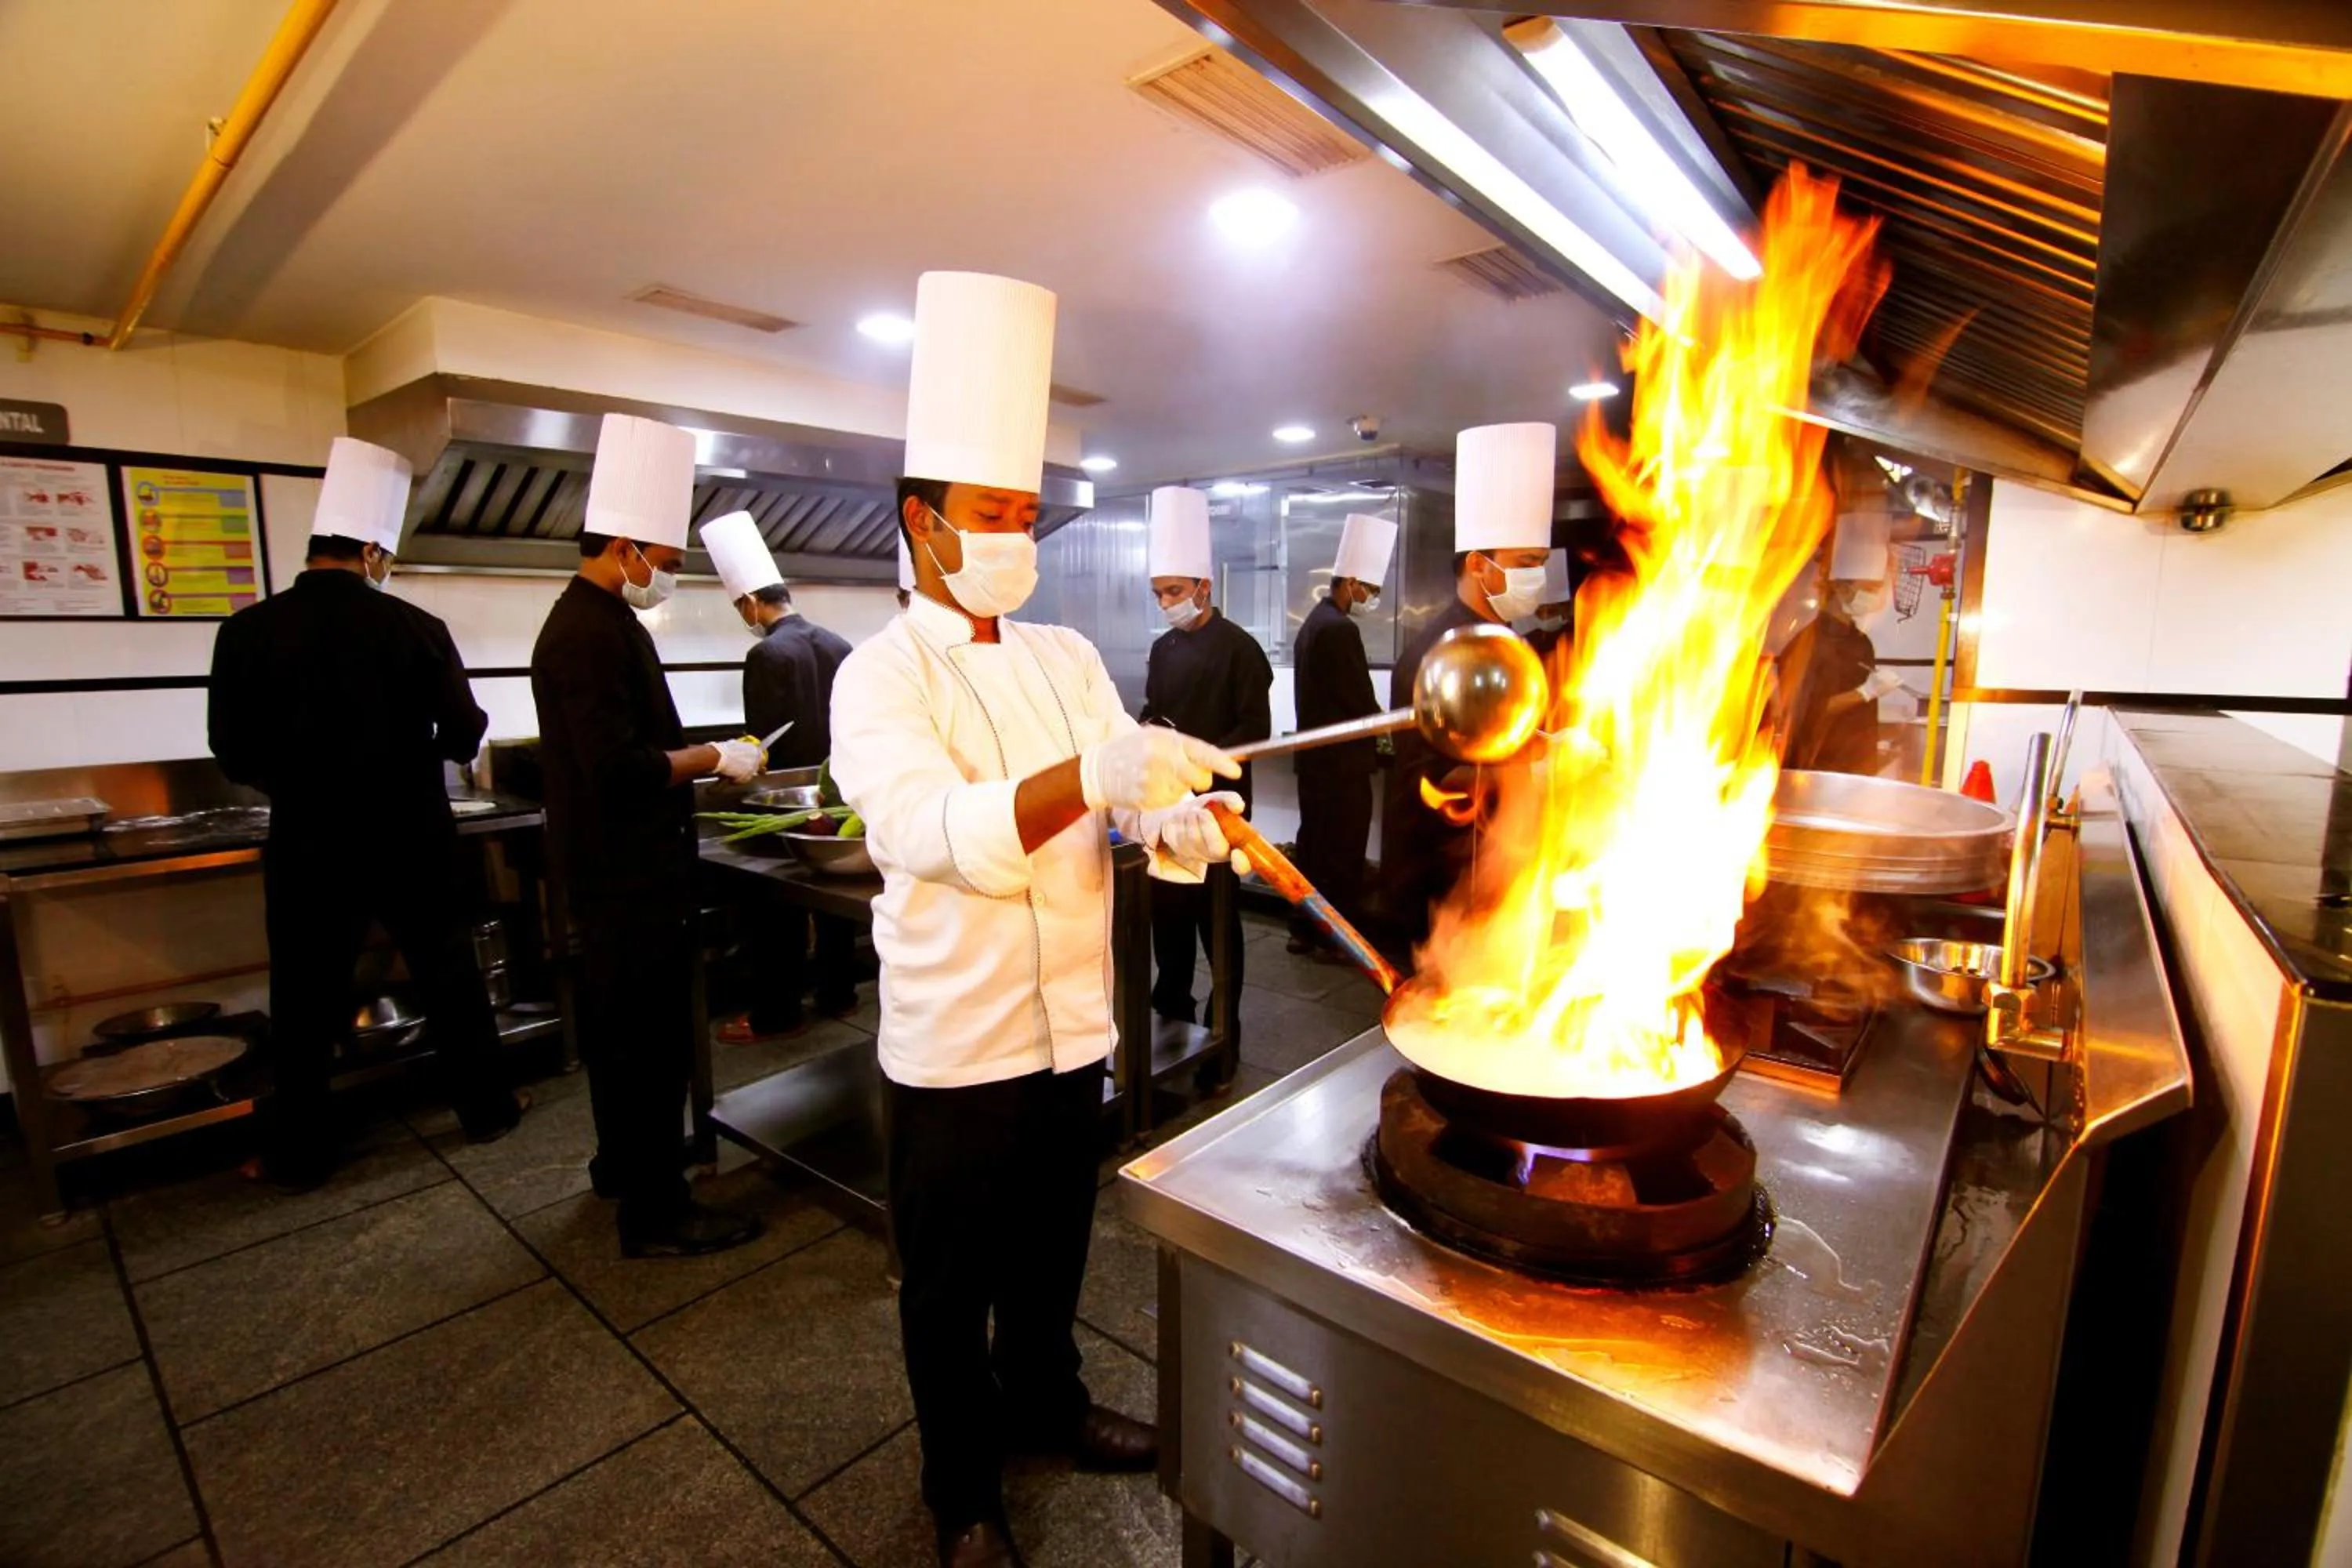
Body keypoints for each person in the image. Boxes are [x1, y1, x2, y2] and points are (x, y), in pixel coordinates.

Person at [828, 271, 1247, 1568]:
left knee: (1056, 1257)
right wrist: (1095, 781)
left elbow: (1124, 782)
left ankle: (1049, 1410)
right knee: (950, 1290)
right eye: (992, 515)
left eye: (1028, 516)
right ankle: (960, 1487)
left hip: (1075, 1030)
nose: (1017, 536)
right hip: (958, 1048)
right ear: (924, 522)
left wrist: (1172, 821)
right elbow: (926, 831)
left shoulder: (1066, 654)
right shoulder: (879, 674)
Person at [209, 437, 526, 1191]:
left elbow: (231, 750)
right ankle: (488, 1111)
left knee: (305, 993)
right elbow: (464, 729)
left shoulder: (247, 630)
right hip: (410, 831)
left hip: (309, 838)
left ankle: (300, 1154)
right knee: (448, 973)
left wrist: (294, 780)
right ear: (374, 551)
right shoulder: (414, 627)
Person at [529, 413, 768, 1258]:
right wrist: (710, 756)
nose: (663, 576)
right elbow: (620, 768)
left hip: (617, 871)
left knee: (622, 1036)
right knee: (647, 1043)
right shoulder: (587, 632)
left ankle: (623, 1169)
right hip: (626, 877)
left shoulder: (596, 620)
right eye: (663, 562)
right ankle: (657, 1213)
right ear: (625, 545)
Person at [1382, 421, 1556, 951]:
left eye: (1541, 564)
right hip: (1443, 879)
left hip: (1503, 866)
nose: (1538, 577)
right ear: (1480, 565)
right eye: (1527, 564)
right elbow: (1428, 779)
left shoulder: (1511, 645)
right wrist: (1533, 763)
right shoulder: (1438, 654)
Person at [702, 510, 859, 1040]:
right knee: (835, 896)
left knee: (777, 907)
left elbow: (759, 744)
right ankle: (840, 992)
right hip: (836, 793)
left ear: (749, 602)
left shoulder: (766, 653)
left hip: (785, 800)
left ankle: (779, 1013)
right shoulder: (839, 645)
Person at [1139, 485, 1272, 1062]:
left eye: (1174, 590)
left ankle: (1225, 1019)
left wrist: (1196, 756)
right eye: (1158, 593)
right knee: (1167, 911)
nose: (1166, 601)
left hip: (1222, 806)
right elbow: (1153, 711)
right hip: (1168, 804)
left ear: (1203, 587)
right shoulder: (1164, 649)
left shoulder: (1241, 650)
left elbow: (1254, 731)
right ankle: (1171, 1010)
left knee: (1217, 919)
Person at [1287, 510, 1395, 958]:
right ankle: (1336, 941)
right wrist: (1385, 725)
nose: (1369, 597)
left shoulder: (1313, 624)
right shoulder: (1339, 629)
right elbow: (1357, 697)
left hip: (1315, 761)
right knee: (1341, 855)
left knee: (1313, 847)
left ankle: (1302, 930)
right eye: (1369, 589)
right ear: (1350, 582)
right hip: (1343, 765)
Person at [1523, 546, 1573, 661]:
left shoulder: (1577, 638)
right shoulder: (1525, 645)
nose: (1545, 616)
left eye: (1551, 611)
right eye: (1539, 612)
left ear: (1566, 607)